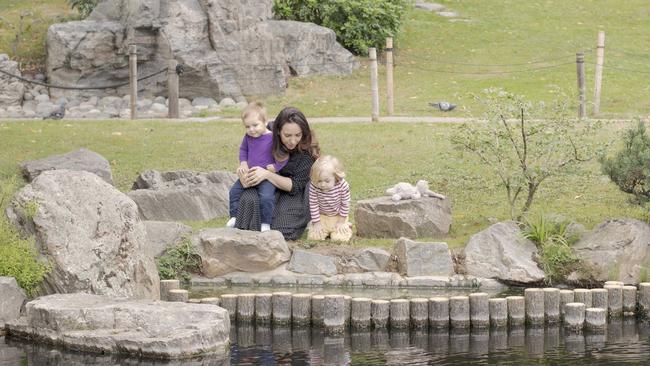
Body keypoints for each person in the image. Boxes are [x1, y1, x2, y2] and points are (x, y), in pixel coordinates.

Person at [234, 107, 320, 240]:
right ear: (278, 131)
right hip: (265, 185)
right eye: (287, 136)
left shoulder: (307, 152)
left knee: (281, 228)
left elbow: (295, 186)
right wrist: (245, 171)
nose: (292, 141)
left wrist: (267, 174)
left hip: (292, 191)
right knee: (248, 200)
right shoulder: (265, 132)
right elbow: (249, 151)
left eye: (298, 135)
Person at [227, 102, 287, 232]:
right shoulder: (248, 137)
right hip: (250, 173)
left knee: (266, 197)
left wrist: (276, 167)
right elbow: (243, 150)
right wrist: (243, 163)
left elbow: (283, 156)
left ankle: (265, 222)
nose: (251, 129)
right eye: (247, 126)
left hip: (266, 176)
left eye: (255, 125)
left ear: (265, 122)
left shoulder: (273, 138)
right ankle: (234, 216)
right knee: (234, 192)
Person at [307, 155, 352, 242]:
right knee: (314, 237)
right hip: (322, 216)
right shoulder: (314, 186)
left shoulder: (342, 185)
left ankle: (346, 226)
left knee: (339, 239)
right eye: (319, 181)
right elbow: (313, 205)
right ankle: (319, 228)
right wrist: (317, 223)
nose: (323, 184)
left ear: (336, 177)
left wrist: (341, 222)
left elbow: (345, 204)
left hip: (338, 216)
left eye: (327, 181)